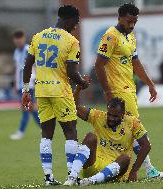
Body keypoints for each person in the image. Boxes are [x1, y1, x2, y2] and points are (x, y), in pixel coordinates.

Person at [94, 3, 163, 179]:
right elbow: (98, 64)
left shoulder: (131, 36)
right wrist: (108, 92)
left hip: (129, 89)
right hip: (118, 92)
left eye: (135, 21)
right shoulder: (110, 36)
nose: (132, 25)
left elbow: (135, 62)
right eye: (128, 21)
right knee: (136, 131)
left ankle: (116, 166)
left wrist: (149, 83)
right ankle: (148, 169)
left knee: (130, 131)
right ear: (119, 18)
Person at [21, 5, 90, 186]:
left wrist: (26, 90)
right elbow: (71, 71)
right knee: (70, 131)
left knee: (46, 134)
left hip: (41, 91)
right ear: (68, 19)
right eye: (76, 22)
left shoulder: (38, 36)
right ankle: (71, 175)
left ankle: (48, 177)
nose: (76, 26)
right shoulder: (71, 41)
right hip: (60, 91)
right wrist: (83, 83)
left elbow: (28, 65)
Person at [65, 85, 152, 186]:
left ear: (123, 114)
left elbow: (146, 145)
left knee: (125, 158)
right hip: (94, 165)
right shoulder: (99, 116)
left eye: (115, 116)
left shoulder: (133, 123)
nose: (111, 118)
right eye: (109, 114)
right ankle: (73, 176)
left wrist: (134, 171)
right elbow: (74, 107)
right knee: (90, 137)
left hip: (116, 171)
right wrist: (79, 88)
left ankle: (91, 181)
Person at [10, 30, 40, 140]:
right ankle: (45, 128)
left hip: (28, 84)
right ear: (14, 40)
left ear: (23, 38)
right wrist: (15, 85)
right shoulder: (16, 52)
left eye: (20, 38)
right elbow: (17, 69)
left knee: (26, 109)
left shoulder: (28, 50)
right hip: (20, 85)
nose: (18, 41)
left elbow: (36, 65)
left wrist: (36, 80)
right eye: (16, 39)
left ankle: (20, 132)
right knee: (31, 110)